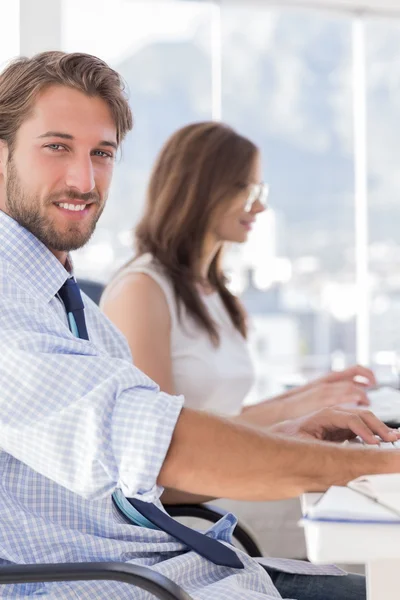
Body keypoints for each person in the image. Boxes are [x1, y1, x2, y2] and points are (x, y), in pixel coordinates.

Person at [1, 51, 400, 600]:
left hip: (181, 565)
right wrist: (383, 465)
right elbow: (158, 443)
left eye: (102, 152)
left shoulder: (69, 304)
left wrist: (286, 433)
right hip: (118, 584)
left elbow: (139, 476)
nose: (84, 178)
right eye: (56, 147)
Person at [100, 122, 375, 556]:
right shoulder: (142, 291)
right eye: (247, 189)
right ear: (201, 189)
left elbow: (221, 416)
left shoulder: (209, 292)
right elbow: (160, 452)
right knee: (362, 505)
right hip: (199, 507)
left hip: (222, 485)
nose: (260, 207)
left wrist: (312, 399)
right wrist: (296, 411)